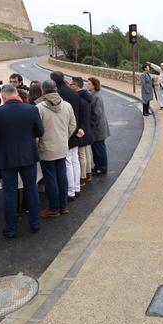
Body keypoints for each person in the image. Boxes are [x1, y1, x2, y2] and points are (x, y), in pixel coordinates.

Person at [0, 84, 44, 238]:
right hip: (28, 155)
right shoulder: (31, 109)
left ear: (3, 97)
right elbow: (40, 131)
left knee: (10, 193)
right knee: (31, 189)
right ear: (16, 94)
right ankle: (35, 222)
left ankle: (11, 228)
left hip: (6, 157)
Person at [35, 80, 76, 217]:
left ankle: (54, 208)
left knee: (50, 178)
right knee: (62, 176)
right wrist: (64, 137)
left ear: (43, 91)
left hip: (46, 148)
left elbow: (37, 131)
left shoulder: (39, 107)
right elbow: (72, 125)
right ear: (56, 89)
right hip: (62, 146)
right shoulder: (67, 105)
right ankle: (63, 206)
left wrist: (37, 144)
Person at [49, 71, 85, 200]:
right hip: (76, 129)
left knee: (68, 161)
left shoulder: (58, 94)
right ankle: (76, 187)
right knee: (74, 160)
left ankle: (70, 191)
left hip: (66, 130)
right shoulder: (73, 92)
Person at [71, 77, 94, 183]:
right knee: (87, 153)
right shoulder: (87, 96)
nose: (70, 86)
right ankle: (88, 173)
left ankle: (82, 177)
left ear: (76, 85)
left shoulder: (78, 98)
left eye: (71, 84)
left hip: (81, 128)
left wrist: (79, 129)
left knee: (81, 155)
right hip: (87, 127)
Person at [87, 77, 110, 175]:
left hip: (97, 128)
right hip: (97, 127)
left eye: (89, 83)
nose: (87, 85)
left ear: (94, 85)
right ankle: (97, 166)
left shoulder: (96, 97)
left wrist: (90, 124)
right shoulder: (93, 95)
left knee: (99, 149)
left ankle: (102, 168)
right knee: (96, 149)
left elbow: (97, 114)